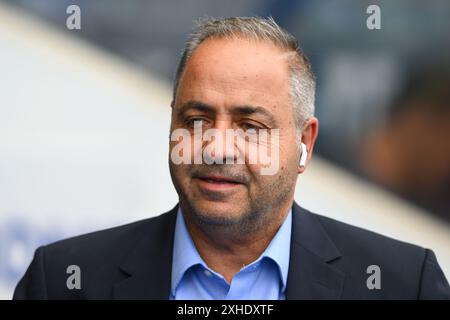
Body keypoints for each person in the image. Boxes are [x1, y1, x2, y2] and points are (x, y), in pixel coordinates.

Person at [14, 16, 450, 300]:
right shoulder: (64, 282)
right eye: (197, 118)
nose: (217, 147)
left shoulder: (401, 285)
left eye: (250, 126)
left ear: (305, 142)